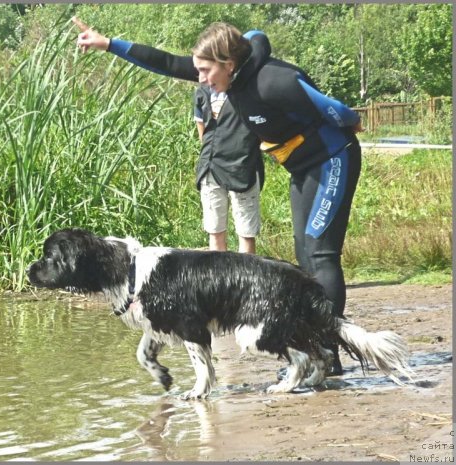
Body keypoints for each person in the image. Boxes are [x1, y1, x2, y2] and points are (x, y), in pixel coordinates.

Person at [73, 18, 363, 375]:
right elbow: (165, 62)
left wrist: (351, 120)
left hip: (333, 159)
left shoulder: (273, 82)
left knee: (320, 254)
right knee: (305, 254)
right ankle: (317, 348)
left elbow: (331, 106)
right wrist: (108, 43)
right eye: (199, 70)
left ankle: (329, 354)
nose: (201, 78)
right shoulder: (226, 75)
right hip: (302, 167)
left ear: (228, 64)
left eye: (207, 70)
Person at [193, 83, 264, 253]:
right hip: (210, 169)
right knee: (215, 231)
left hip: (244, 168)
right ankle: (220, 279)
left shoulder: (249, 90)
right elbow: (204, 135)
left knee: (246, 233)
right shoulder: (202, 93)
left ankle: (246, 279)